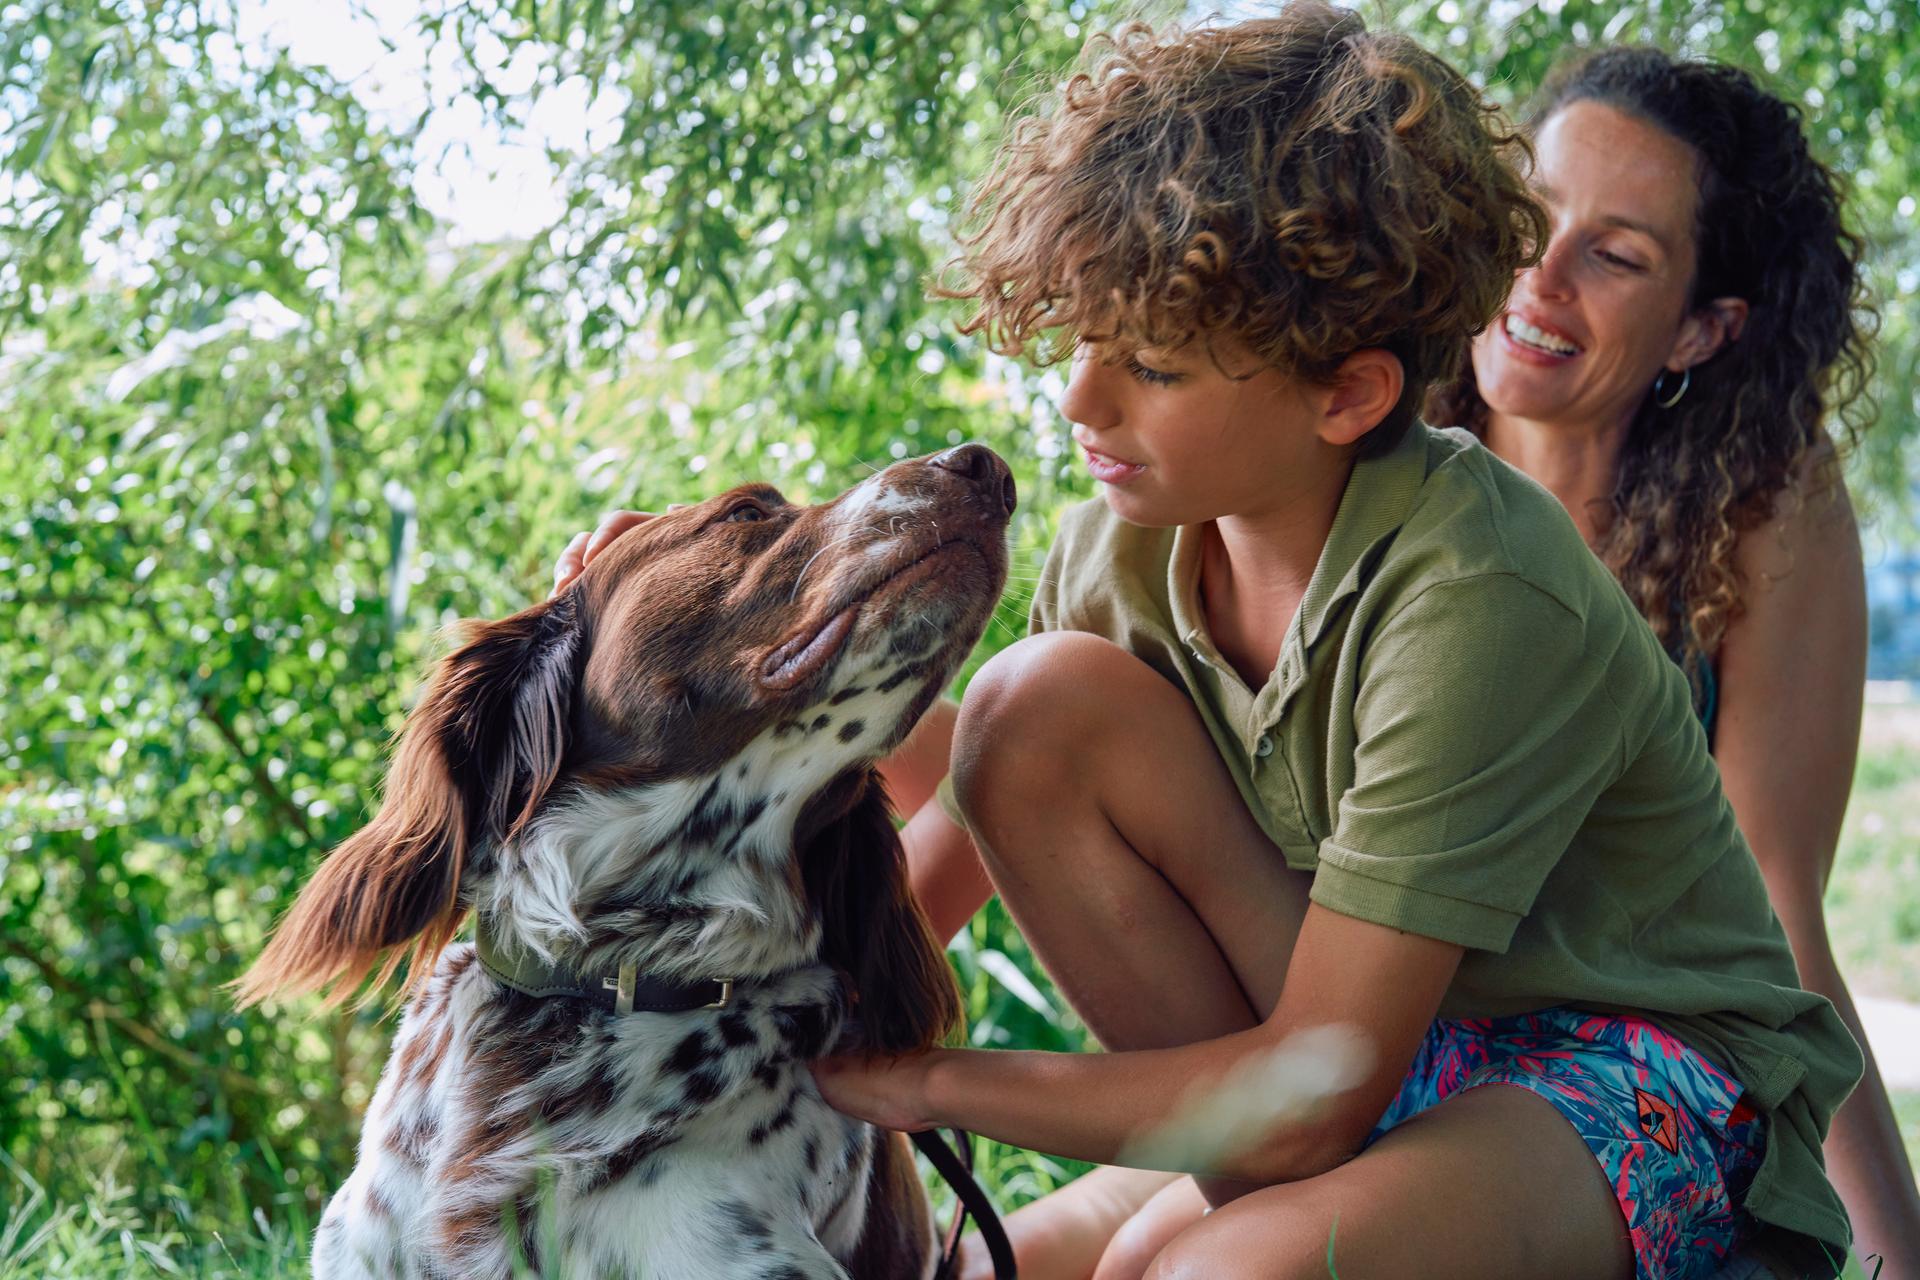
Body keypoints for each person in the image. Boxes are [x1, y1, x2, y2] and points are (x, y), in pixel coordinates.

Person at [553, 10, 1865, 1278]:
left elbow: (1315, 1086)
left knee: (1210, 1270)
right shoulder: (1121, 553)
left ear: (1349, 393)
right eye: (1083, 337)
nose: (1078, 399)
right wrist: (628, 766)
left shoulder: (1481, 587)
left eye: (1157, 369)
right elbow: (898, 917)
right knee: (1031, 705)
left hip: (1641, 1075)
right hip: (1391, 1052)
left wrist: (928, 1085)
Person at [1423, 46, 1917, 1274]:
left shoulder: (1765, 505)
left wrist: (1897, 1253)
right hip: (1387, 1049)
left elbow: (1773, 904)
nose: (1539, 276)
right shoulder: (1370, 441)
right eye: (1534, 216)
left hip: (1650, 1083)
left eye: (1617, 253)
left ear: (1703, 329)